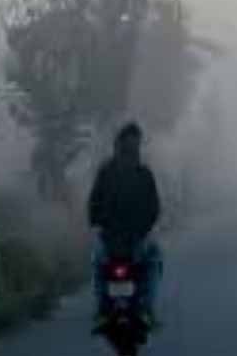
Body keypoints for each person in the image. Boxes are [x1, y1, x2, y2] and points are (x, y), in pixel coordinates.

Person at [88, 121, 162, 332]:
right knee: (154, 261)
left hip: (109, 239)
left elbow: (93, 204)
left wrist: (98, 223)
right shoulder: (143, 173)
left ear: (117, 144)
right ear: (137, 145)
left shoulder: (106, 171)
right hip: (136, 240)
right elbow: (154, 208)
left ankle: (102, 310)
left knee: (98, 266)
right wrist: (144, 229)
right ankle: (146, 309)